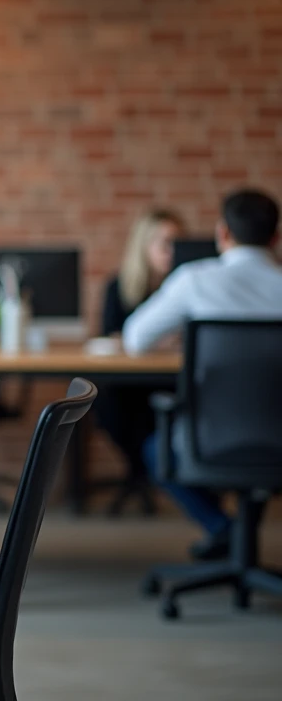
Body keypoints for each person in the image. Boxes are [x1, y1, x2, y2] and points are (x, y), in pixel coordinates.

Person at [127, 189, 282, 559]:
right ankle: (240, 538)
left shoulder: (195, 280)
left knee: (154, 449)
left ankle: (223, 527)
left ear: (222, 233)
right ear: (276, 238)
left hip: (210, 438)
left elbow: (135, 339)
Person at [94, 209, 185, 515]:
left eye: (178, 244)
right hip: (128, 383)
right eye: (165, 243)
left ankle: (146, 468)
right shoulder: (118, 287)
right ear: (143, 245)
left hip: (171, 380)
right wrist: (162, 342)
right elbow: (112, 337)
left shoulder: (186, 287)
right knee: (102, 398)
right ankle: (143, 468)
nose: (172, 252)